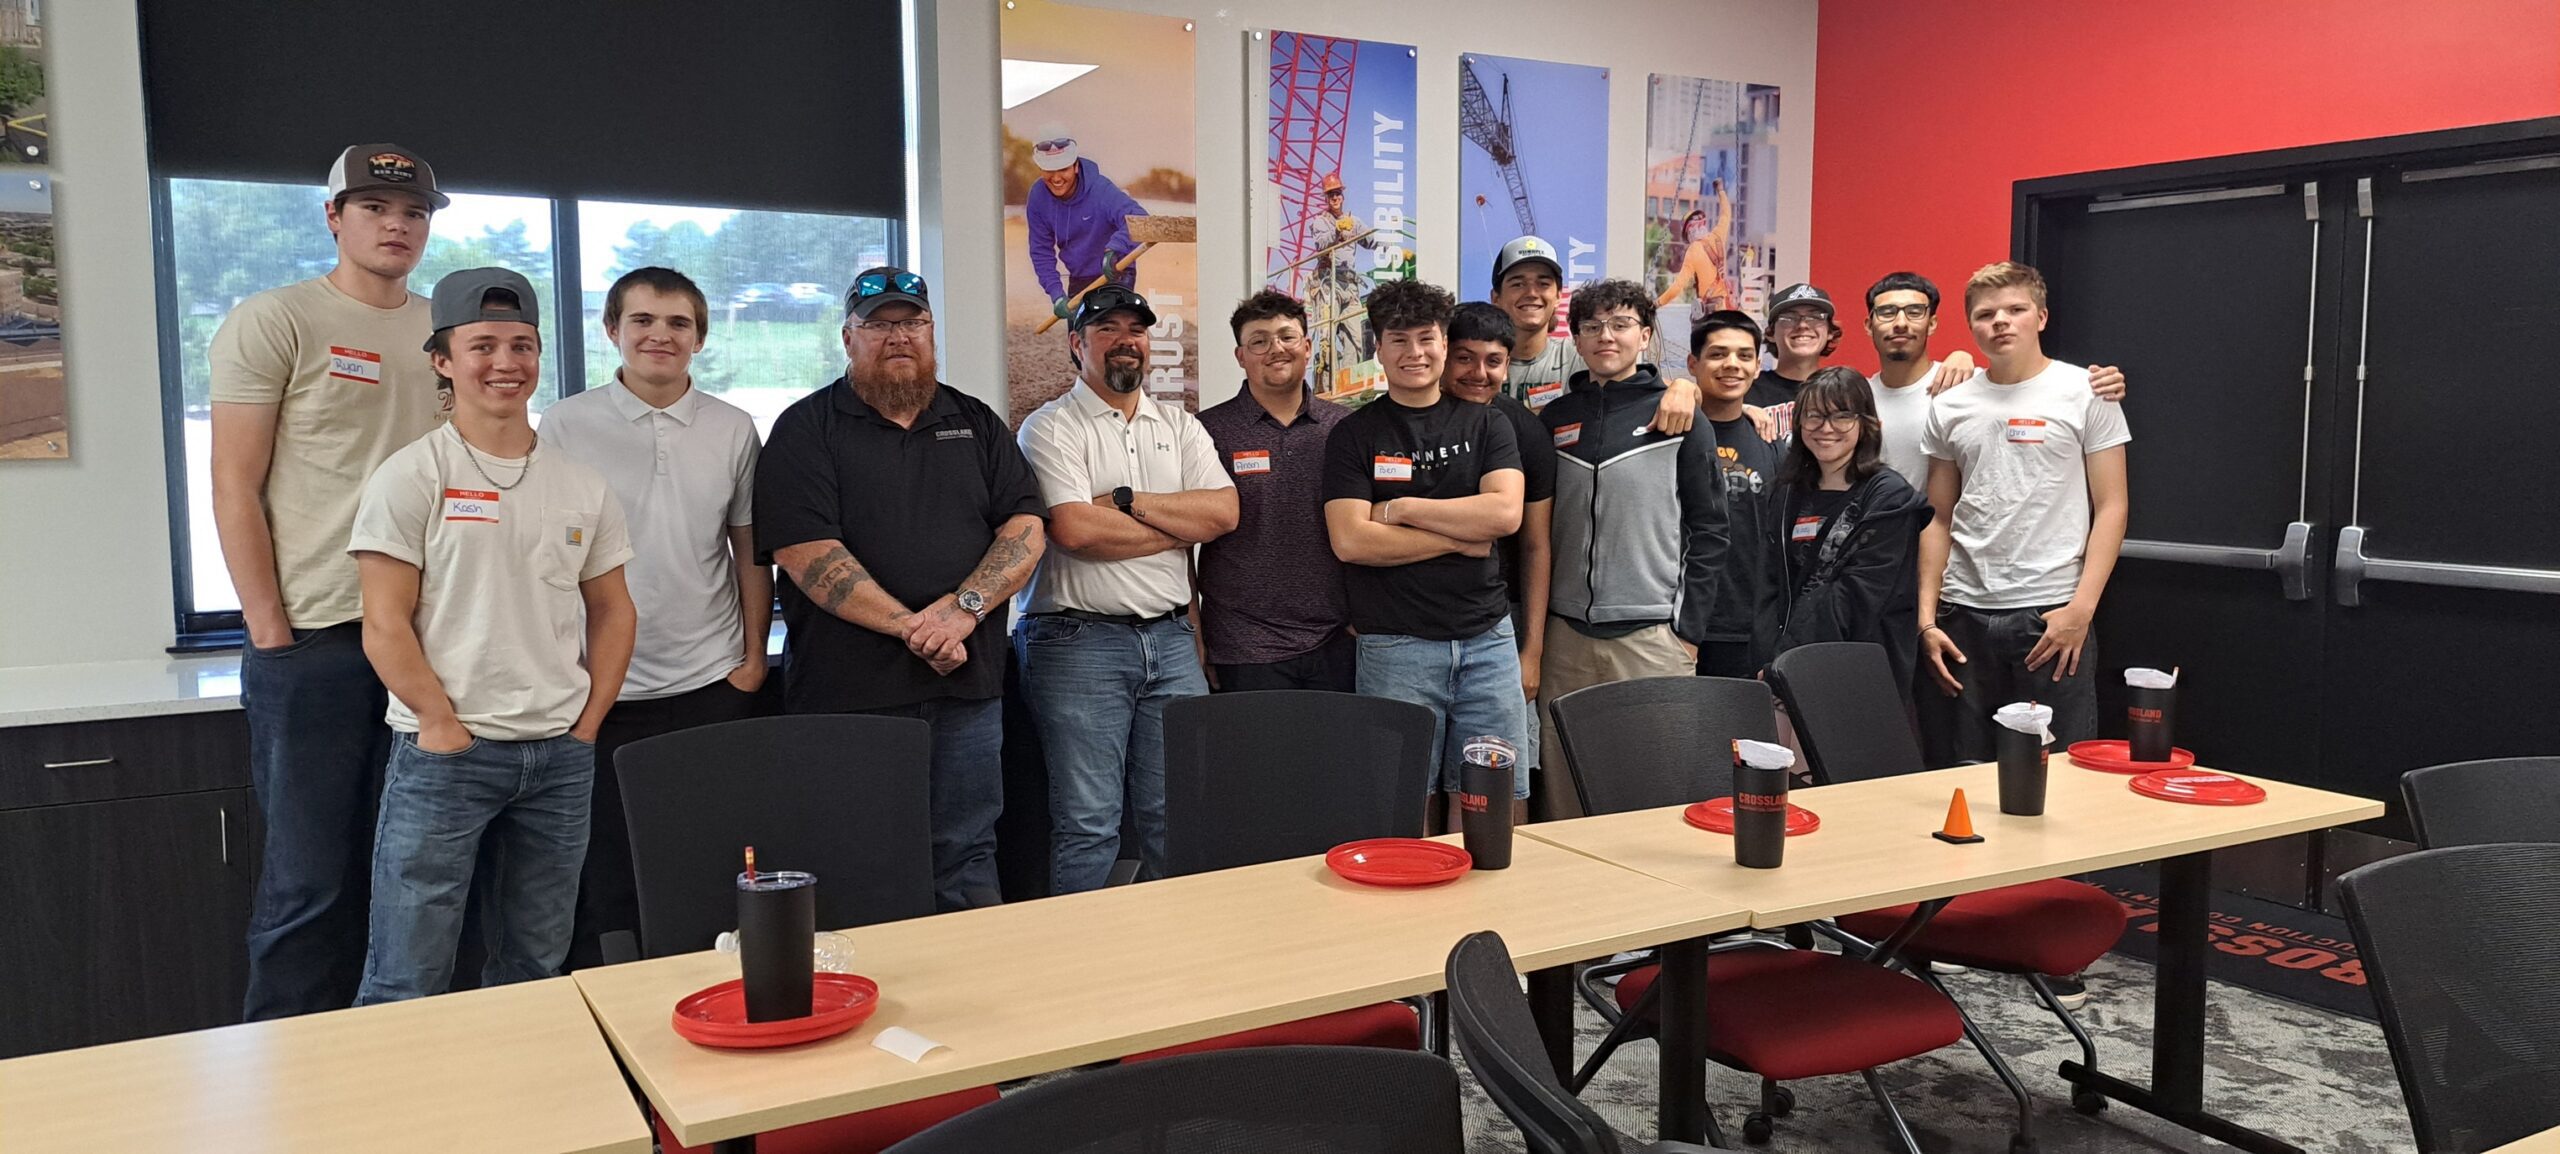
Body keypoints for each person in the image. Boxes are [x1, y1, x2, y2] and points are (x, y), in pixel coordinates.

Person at [347, 268, 638, 1003]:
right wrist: (440, 724)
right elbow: (383, 623)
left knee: (536, 971)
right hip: (448, 755)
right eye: (482, 346)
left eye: (522, 345)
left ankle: (519, 1114)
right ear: (443, 360)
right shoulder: (412, 476)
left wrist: (589, 722)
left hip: (559, 759)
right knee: (407, 975)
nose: (505, 363)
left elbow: (614, 610)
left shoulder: (581, 484)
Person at [209, 143, 447, 1019]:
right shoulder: (277, 319)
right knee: (308, 882)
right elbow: (234, 482)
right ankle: (289, 1084)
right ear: (334, 217)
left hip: (425, 644)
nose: (397, 224)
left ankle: (396, 1072)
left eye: (414, 212)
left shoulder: (442, 335)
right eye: (376, 207)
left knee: (414, 877)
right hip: (315, 641)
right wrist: (271, 627)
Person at [757, 268, 1048, 911]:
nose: (898, 336)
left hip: (966, 691)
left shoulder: (974, 421)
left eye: (912, 322)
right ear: (847, 337)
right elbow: (806, 553)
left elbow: (1026, 526)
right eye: (879, 324)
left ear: (931, 333)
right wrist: (921, 629)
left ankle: (979, 998)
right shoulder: (805, 428)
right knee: (853, 856)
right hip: (850, 697)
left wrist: (964, 612)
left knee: (967, 852)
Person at [541, 267, 768, 964]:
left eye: (677, 324)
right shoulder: (566, 423)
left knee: (709, 864)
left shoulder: (732, 427)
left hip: (710, 680)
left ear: (699, 338)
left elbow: (750, 550)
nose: (659, 336)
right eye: (642, 321)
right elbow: (544, 554)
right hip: (601, 688)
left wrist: (753, 660)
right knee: (603, 875)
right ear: (613, 330)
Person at [1017, 284, 1237, 893]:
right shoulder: (1049, 427)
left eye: (1136, 330)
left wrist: (1127, 503)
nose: (1125, 341)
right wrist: (1175, 527)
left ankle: (1174, 957)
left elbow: (1222, 515)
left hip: (1169, 640)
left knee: (1177, 815)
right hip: (1076, 642)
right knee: (1088, 822)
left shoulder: (1181, 426)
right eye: (1107, 328)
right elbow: (1075, 529)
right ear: (1076, 345)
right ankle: (1083, 971)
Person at [1324, 280, 1527, 826]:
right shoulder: (1354, 434)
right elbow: (1352, 540)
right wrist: (1463, 535)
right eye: (1399, 340)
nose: (1414, 353)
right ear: (1378, 349)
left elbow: (1505, 515)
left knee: (1495, 798)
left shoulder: (1488, 423)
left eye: (1426, 338)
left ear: (1443, 342)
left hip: (1487, 639)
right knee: (1402, 801)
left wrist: (1403, 508)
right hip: (1395, 644)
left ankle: (1493, 911)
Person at [1917, 261, 2130, 762]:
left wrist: (2081, 610)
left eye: (2015, 310)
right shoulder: (1949, 406)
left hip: (2050, 614)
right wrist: (1928, 620)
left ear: (2042, 316)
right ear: (1971, 326)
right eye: (1986, 314)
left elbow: (2114, 506)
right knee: (1964, 770)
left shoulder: (2088, 392)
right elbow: (1938, 516)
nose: (2001, 322)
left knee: (2055, 772)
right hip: (1961, 616)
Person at [1534, 280, 1727, 816]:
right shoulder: (1554, 421)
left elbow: (1711, 530)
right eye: (1592, 327)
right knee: (1567, 792)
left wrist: (1686, 631)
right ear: (1574, 337)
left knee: (1654, 790)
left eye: (1620, 325)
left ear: (1644, 335)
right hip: (1564, 638)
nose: (1606, 337)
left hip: (1650, 635)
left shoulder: (1679, 415)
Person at [1195, 290, 1354, 692]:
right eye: (1259, 341)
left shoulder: (1347, 427)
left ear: (1306, 345)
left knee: (1339, 757)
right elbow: (1182, 544)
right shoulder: (1205, 431)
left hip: (1339, 639)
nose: (1275, 349)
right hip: (1242, 643)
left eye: (1286, 337)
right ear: (1240, 356)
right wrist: (1195, 637)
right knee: (1256, 757)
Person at [1751, 367, 1934, 703]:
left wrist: (1787, 662)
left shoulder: (1890, 498)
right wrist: (1768, 657)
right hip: (1782, 668)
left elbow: (1854, 596)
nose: (1826, 429)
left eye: (1842, 416)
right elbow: (1770, 581)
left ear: (1866, 424)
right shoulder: (1787, 491)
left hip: (1858, 669)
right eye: (1814, 417)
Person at [1443, 301, 1556, 819]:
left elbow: (1534, 544)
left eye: (1493, 360)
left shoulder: (1526, 431)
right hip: (1407, 625)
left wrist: (1531, 650)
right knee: (1423, 780)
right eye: (1464, 358)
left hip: (1499, 623)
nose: (1479, 373)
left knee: (1501, 779)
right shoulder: (1397, 421)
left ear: (1509, 363)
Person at [1863, 271, 2126, 488]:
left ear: (1932, 323)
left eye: (1914, 312)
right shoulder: (1856, 396)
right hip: (1881, 543)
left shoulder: (1963, 383)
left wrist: (2100, 384)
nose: (1900, 323)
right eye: (1887, 312)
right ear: (1868, 325)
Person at [1490, 235, 1701, 434]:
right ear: (1495, 297)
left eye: (1543, 284)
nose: (1532, 293)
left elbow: (1657, 388)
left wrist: (1682, 388)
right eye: (1518, 284)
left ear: (1557, 297)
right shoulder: (1478, 360)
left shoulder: (1581, 353)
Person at [1686, 310, 1781, 679]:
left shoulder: (1772, 442)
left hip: (1750, 628)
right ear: (1693, 363)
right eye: (1717, 354)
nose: (1732, 365)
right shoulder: (1669, 434)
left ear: (1758, 367)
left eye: (1744, 356)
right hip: (1679, 625)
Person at [1759, 282, 1973, 436]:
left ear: (1831, 331)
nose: (1803, 325)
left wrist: (1963, 356)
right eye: (1789, 318)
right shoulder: (1749, 391)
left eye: (1816, 317)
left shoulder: (1850, 390)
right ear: (1769, 332)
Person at [1026, 124, 1146, 322]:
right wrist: (1056, 295)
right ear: (1040, 169)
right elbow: (1041, 251)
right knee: (1078, 344)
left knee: (1107, 335)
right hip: (1079, 277)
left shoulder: (1101, 190)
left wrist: (1114, 249)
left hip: (1116, 272)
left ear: (1075, 166)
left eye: (1063, 169)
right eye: (1049, 170)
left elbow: (1140, 218)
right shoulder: (1038, 197)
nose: (1056, 178)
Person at [1303, 173, 1382, 388]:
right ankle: (1328, 388)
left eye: (1337, 193)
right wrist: (1337, 232)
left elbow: (1370, 241)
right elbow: (1321, 245)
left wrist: (1393, 247)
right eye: (1331, 195)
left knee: (1354, 339)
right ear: (1326, 198)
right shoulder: (1321, 222)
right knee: (1327, 339)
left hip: (1350, 285)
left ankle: (1348, 387)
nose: (1335, 198)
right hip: (1329, 284)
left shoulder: (1353, 221)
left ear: (1342, 196)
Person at [1652, 180, 1734, 364]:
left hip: (1709, 314)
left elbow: (1677, 286)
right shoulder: (1718, 236)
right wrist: (1720, 190)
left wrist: (1657, 303)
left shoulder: (1693, 251)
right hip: (1727, 306)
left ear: (1688, 231)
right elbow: (1726, 213)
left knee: (1707, 356)